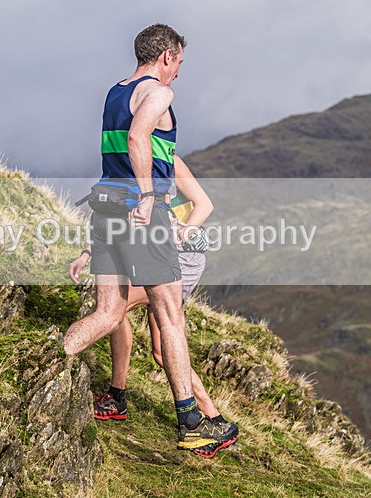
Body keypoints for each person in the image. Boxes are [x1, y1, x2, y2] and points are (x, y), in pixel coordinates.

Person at [63, 23, 237, 455]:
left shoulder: (115, 91)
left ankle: (39, 360)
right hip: (143, 214)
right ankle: (192, 422)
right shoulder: (158, 93)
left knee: (108, 313)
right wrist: (145, 195)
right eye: (179, 62)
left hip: (105, 209)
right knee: (169, 317)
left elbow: (119, 147)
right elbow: (138, 136)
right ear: (167, 56)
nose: (179, 71)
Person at [70, 156, 235, 457]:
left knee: (113, 310)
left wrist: (183, 231)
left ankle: (119, 396)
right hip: (146, 247)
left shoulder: (167, 159)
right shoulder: (125, 160)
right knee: (158, 350)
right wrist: (87, 251)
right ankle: (214, 419)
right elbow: (116, 210)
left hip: (179, 256)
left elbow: (204, 204)